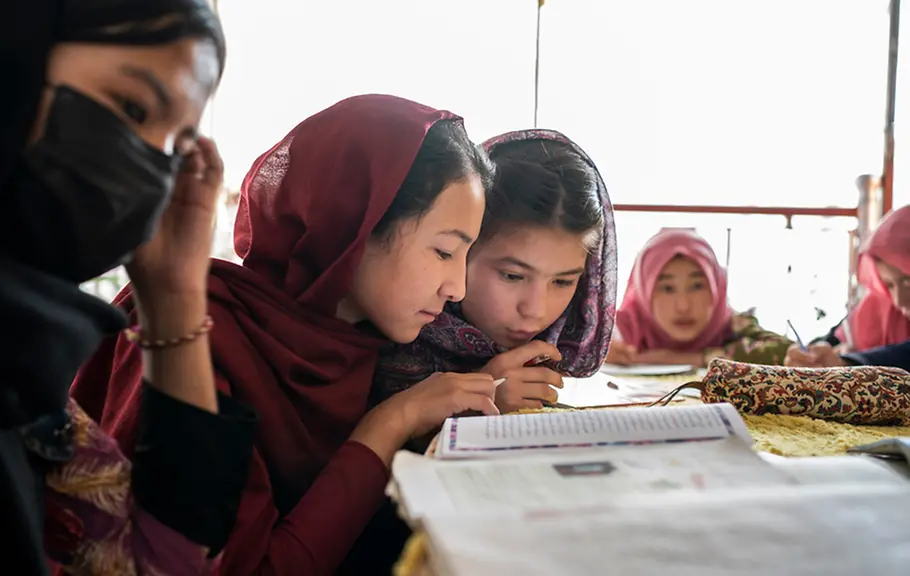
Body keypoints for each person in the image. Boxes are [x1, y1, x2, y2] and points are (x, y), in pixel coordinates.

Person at [70, 95, 500, 575]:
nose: (457, 287)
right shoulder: (187, 330)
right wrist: (390, 424)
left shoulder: (359, 346)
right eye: (444, 252)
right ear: (355, 223)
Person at [0, 0, 256, 574]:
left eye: (174, 148)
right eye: (133, 107)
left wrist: (174, 293)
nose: (151, 174)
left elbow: (164, 559)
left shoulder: (13, 367)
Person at [373, 129, 617, 413]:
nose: (535, 310)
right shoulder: (388, 327)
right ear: (462, 248)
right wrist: (479, 398)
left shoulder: (556, 357)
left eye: (563, 281)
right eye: (512, 276)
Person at [606, 229, 792, 367]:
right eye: (667, 288)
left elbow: (787, 351)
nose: (683, 306)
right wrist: (598, 356)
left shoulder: (731, 325)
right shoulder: (615, 332)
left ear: (716, 287)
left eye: (697, 286)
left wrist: (689, 359)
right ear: (643, 291)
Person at [785, 205, 910, 369]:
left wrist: (848, 364)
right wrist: (810, 356)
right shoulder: (877, 306)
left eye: (908, 282)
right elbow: (831, 341)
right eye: (889, 285)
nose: (899, 300)